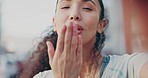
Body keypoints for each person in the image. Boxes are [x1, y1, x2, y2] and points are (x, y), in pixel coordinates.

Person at [17, 0, 148, 78]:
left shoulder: (130, 67)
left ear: (101, 25)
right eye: (65, 7)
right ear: (54, 23)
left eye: (87, 8)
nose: (74, 15)